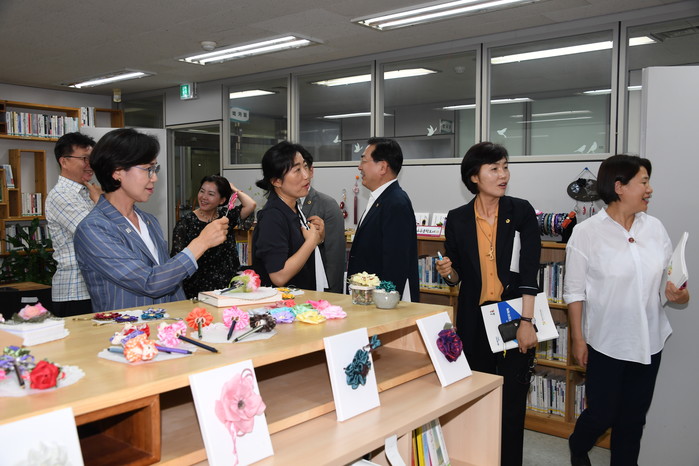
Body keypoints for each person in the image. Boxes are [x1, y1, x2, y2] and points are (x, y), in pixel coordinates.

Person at [564, 154, 689, 466]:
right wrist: (578, 339)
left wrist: (677, 293)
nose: (650, 189)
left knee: (633, 421)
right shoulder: (587, 233)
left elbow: (670, 282)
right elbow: (574, 292)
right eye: (643, 182)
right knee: (601, 414)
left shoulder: (655, 228)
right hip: (607, 342)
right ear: (619, 187)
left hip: (649, 342)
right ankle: (578, 447)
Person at [435, 141, 540, 466]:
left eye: (505, 167)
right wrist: (448, 272)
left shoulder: (520, 212)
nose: (503, 174)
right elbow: (457, 278)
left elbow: (529, 270)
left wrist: (527, 322)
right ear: (474, 176)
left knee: (511, 406)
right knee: (475, 400)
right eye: (494, 168)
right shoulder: (457, 218)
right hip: (475, 321)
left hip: (513, 318)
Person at [74, 128, 229, 312]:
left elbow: (170, 281)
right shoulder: (94, 228)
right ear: (117, 171)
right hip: (125, 328)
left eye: (155, 169)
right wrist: (201, 242)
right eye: (148, 169)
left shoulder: (149, 220)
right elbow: (150, 283)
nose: (154, 178)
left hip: (165, 323)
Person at [347, 137, 419, 301]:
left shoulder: (396, 203)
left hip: (383, 301)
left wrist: (386, 302)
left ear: (382, 167)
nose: (359, 167)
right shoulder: (381, 199)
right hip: (369, 298)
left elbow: (395, 262)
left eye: (364, 160)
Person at [252, 141, 325, 290]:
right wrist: (311, 241)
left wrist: (318, 237)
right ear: (276, 181)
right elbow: (279, 276)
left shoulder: (293, 207)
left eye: (305, 166)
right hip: (282, 303)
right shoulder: (272, 217)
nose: (306, 175)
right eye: (297, 170)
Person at [171, 175, 256, 299]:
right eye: (202, 191)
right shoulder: (185, 223)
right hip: (198, 288)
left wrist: (234, 189)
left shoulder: (225, 217)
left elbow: (251, 204)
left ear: (222, 200)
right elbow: (177, 259)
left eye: (211, 194)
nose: (204, 197)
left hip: (228, 286)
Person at [45, 132, 102, 317]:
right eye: (84, 159)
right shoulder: (61, 195)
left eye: (92, 159)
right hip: (75, 291)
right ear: (64, 161)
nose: (90, 164)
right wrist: (100, 202)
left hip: (92, 289)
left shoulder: (86, 191)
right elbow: (95, 234)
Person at [298, 148, 346, 294]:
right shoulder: (282, 206)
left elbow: (335, 257)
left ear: (311, 171)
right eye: (295, 170)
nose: (301, 175)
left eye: (303, 168)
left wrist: (331, 292)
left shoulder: (327, 205)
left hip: (318, 287)